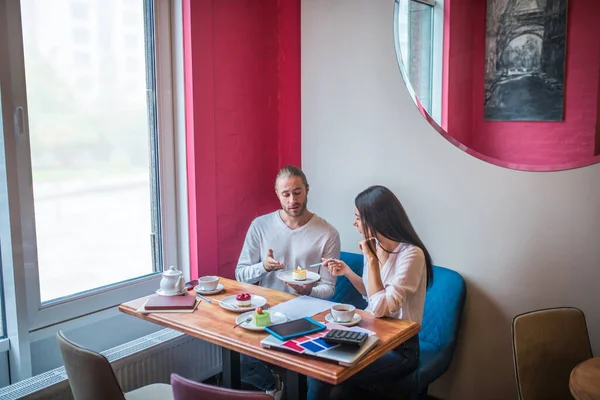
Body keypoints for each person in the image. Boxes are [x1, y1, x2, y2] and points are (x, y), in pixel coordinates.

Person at [307, 185, 434, 400]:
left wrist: (372, 260)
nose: (354, 223)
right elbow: (371, 293)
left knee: (329, 375)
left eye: (358, 217)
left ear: (375, 219)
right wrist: (347, 272)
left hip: (400, 348)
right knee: (317, 360)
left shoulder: (412, 255)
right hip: (369, 335)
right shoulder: (374, 245)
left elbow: (379, 307)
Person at [235, 165, 341, 398]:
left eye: (297, 192)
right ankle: (273, 384)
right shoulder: (260, 226)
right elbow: (240, 274)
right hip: (266, 312)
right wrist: (263, 266)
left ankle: (286, 384)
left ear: (307, 190)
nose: (292, 199)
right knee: (236, 357)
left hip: (306, 316)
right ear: (277, 194)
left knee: (311, 377)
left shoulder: (327, 233)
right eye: (286, 194)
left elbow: (329, 289)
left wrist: (308, 290)